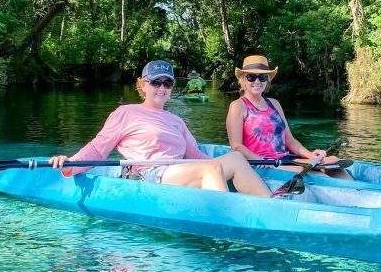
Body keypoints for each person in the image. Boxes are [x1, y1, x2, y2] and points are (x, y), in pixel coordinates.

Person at [49, 60, 271, 196]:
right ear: (143, 85)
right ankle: (226, 224)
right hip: (149, 174)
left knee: (235, 159)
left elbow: (196, 156)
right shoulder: (125, 112)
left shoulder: (176, 120)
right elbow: (98, 150)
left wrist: (227, 164)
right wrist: (70, 165)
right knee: (211, 170)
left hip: (178, 170)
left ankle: (273, 207)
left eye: (168, 83)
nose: (162, 87)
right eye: (156, 82)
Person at [226, 55, 350, 179]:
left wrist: (310, 155)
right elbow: (236, 146)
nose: (257, 81)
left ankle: (356, 189)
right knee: (319, 175)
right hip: (261, 163)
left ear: (267, 80)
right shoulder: (238, 106)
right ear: (243, 79)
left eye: (262, 77)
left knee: (334, 162)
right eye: (251, 77)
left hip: (284, 159)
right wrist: (260, 160)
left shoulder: (274, 104)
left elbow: (289, 140)